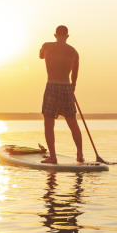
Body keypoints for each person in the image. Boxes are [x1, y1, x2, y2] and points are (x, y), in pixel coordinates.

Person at [39, 25, 84, 164]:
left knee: (48, 123)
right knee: (72, 123)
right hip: (67, 87)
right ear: (67, 36)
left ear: (55, 35)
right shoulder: (74, 52)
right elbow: (75, 75)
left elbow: (40, 56)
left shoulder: (47, 46)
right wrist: (72, 88)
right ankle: (80, 154)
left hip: (52, 85)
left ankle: (53, 157)